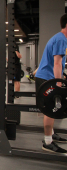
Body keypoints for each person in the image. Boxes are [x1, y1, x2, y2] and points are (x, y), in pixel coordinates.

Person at [35, 13, 67, 154]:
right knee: (51, 108)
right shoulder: (61, 39)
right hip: (47, 78)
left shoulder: (59, 38)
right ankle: (48, 142)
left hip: (46, 77)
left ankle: (52, 133)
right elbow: (57, 63)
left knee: (52, 108)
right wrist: (58, 84)